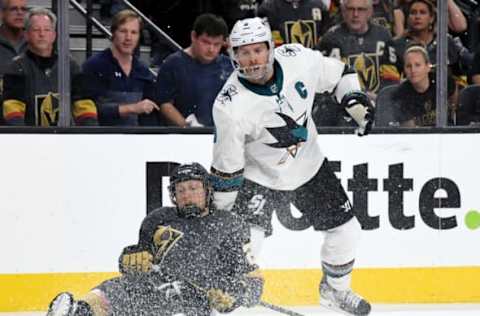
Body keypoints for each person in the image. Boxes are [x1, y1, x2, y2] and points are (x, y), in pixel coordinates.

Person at [211, 17, 373, 316]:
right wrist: (220, 219)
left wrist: (354, 97)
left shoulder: (298, 59)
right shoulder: (229, 107)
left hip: (309, 167)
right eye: (243, 52)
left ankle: (335, 292)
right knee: (248, 244)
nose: (251, 59)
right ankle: (225, 296)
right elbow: (227, 170)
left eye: (257, 50)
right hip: (258, 177)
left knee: (347, 232)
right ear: (233, 56)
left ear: (271, 48)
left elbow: (340, 75)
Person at [46, 162, 263, 316]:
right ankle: (78, 311)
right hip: (153, 288)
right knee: (114, 288)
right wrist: (129, 258)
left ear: (207, 191)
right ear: (173, 195)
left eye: (193, 188)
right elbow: (136, 261)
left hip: (193, 301)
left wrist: (234, 297)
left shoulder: (230, 224)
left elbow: (253, 283)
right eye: (181, 190)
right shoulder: (158, 218)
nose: (187, 195)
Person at [1, 7, 97, 126]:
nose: (42, 34)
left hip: (65, 139)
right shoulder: (16, 68)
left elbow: (84, 105)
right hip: (29, 140)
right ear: (26, 35)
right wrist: (23, 139)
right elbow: (12, 110)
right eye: (36, 30)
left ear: (54, 35)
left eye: (47, 30)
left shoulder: (70, 66)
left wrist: (91, 134)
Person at [82, 9, 159, 126]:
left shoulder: (142, 70)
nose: (128, 37)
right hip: (101, 139)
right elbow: (88, 110)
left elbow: (150, 110)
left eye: (134, 32)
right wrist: (131, 108)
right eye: (123, 31)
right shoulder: (94, 65)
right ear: (113, 33)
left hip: (135, 140)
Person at [155, 13, 232, 127]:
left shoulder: (227, 65)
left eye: (217, 44)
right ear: (193, 36)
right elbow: (164, 103)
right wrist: (187, 126)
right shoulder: (173, 64)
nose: (211, 49)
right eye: (206, 42)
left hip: (221, 136)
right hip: (185, 138)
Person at [317, 0, 399, 102]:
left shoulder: (383, 36)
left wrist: (380, 99)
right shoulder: (330, 39)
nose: (355, 14)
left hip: (379, 104)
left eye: (361, 9)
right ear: (343, 11)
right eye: (351, 9)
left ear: (369, 12)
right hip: (343, 104)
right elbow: (325, 81)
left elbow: (392, 78)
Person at [390, 44, 456, 127]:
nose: (413, 70)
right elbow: (410, 130)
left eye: (417, 65)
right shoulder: (400, 94)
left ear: (428, 66)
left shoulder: (443, 82)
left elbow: (454, 97)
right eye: (408, 66)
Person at [257, 0, 332, 48]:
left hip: (313, 61)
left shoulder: (318, 5)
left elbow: (325, 36)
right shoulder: (268, 8)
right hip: (284, 62)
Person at [0, 0, 28, 125]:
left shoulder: (37, 42)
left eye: (23, 9)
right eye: (14, 9)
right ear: (1, 13)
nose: (20, 13)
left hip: (31, 120)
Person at [392, 0, 467, 38]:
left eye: (422, 12)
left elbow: (460, 26)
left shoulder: (437, 8)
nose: (418, 16)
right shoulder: (399, 12)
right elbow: (399, 44)